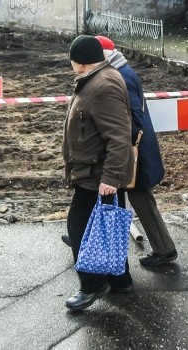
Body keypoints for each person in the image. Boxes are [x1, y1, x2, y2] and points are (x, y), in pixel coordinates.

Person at [62, 35, 135, 311]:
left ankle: (92, 285)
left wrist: (110, 178)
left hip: (97, 174)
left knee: (79, 227)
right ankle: (121, 281)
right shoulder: (101, 77)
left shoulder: (102, 85)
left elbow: (118, 137)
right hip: (98, 171)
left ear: (78, 62)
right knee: (110, 227)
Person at [95, 35, 177, 267]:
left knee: (141, 199)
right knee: (128, 197)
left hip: (135, 154)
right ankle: (83, 236)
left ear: (104, 56)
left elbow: (133, 119)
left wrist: (121, 146)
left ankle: (164, 250)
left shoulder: (121, 76)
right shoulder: (122, 71)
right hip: (136, 151)